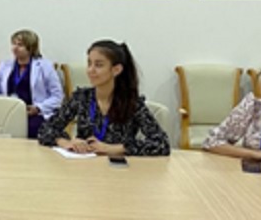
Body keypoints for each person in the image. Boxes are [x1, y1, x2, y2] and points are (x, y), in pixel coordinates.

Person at [38, 39, 170, 156]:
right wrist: (67, 142)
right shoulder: (81, 98)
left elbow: (161, 143)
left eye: (99, 65)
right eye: (89, 63)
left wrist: (112, 149)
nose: (91, 70)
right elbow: (46, 128)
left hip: (119, 168)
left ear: (116, 70)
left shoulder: (132, 103)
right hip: (84, 165)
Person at [0, 29, 63, 138]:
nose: (15, 48)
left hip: (35, 114)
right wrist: (3, 105)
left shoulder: (45, 67)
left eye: (20, 45)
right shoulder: (5, 66)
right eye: (14, 44)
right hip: (8, 113)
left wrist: (38, 108)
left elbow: (57, 97)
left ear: (31, 48)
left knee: (32, 129)